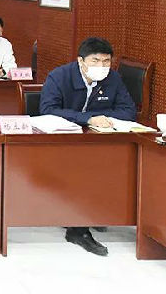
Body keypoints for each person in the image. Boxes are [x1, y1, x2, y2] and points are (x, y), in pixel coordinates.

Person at [39, 37, 137, 256]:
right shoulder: (59, 76)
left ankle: (93, 212)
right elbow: (47, 109)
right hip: (60, 141)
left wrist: (100, 118)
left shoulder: (113, 78)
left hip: (98, 141)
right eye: (95, 61)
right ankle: (78, 229)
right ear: (81, 61)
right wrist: (88, 118)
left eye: (106, 61)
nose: (101, 66)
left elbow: (128, 111)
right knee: (83, 165)